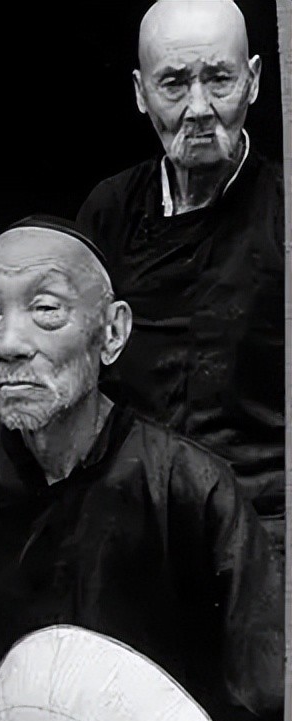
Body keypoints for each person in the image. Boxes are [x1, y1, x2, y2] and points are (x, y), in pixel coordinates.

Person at [0, 218, 283, 721]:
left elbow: (262, 698)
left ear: (112, 333)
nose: (9, 345)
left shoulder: (188, 489)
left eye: (45, 311)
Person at [76, 0, 284, 547]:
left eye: (219, 80)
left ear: (254, 81)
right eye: (173, 84)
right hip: (133, 513)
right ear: (140, 93)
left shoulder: (283, 210)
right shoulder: (111, 210)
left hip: (266, 519)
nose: (198, 108)